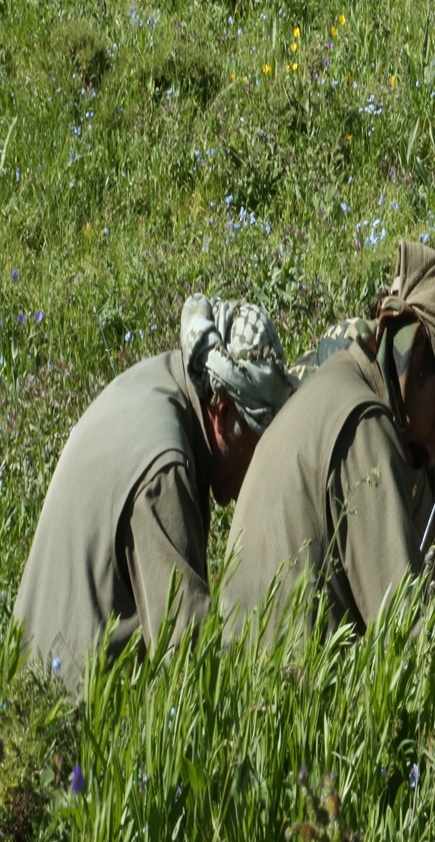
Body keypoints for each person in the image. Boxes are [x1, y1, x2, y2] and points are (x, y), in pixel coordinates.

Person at [221, 240, 435, 641]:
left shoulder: (336, 386)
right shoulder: (364, 423)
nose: (434, 449)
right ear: (416, 346)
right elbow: (404, 635)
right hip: (294, 677)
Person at [15, 296, 293, 695]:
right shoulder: (165, 471)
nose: (264, 461)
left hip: (36, 686)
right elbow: (190, 660)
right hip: (72, 714)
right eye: (261, 437)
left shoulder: (158, 382)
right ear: (224, 411)